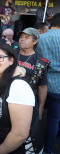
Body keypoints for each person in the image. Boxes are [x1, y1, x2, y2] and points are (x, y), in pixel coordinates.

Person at [0, 43, 43, 153]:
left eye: (0, 57)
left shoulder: (18, 86)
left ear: (11, 61)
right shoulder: (0, 80)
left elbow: (20, 134)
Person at [35, 13, 60, 154]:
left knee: (36, 117)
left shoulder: (40, 39)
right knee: (54, 120)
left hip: (39, 85)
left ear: (51, 23)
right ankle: (48, 150)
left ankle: (34, 146)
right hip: (58, 86)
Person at [18, 28, 49, 120]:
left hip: (27, 101)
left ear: (35, 41)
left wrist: (40, 109)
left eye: (27, 37)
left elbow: (42, 86)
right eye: (21, 37)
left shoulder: (40, 62)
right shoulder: (11, 55)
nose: (22, 39)